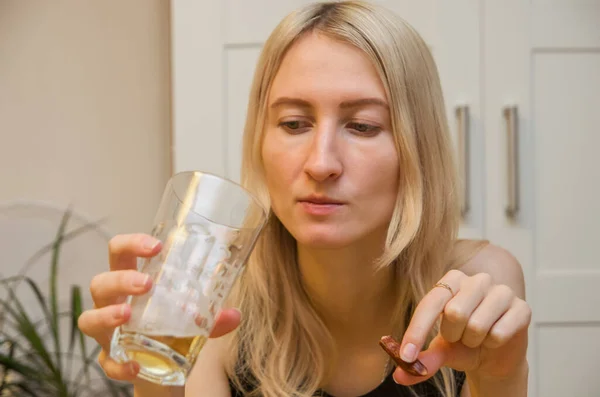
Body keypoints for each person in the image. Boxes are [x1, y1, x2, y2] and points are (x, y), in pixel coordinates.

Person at [78, 1, 531, 396]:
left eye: (363, 126)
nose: (320, 163)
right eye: (294, 124)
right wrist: (153, 375)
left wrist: (503, 378)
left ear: (418, 148)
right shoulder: (219, 305)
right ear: (260, 140)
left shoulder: (477, 285)